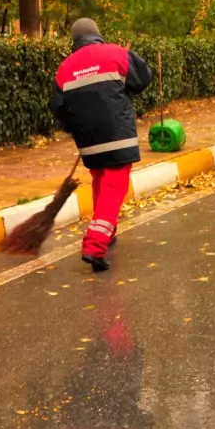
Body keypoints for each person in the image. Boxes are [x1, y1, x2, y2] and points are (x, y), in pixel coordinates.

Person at [51, 18, 152, 273]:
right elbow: (143, 79)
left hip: (88, 141)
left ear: (74, 40)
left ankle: (109, 229)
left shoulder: (65, 68)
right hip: (118, 136)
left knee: (100, 182)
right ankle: (95, 246)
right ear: (97, 33)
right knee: (114, 187)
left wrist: (75, 129)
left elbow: (58, 107)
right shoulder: (116, 53)